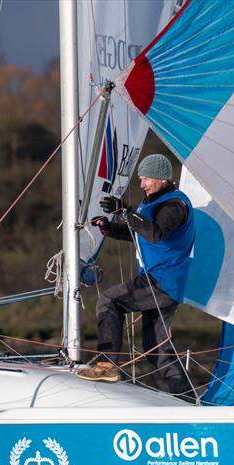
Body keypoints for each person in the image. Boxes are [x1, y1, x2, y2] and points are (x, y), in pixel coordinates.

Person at [80, 153, 196, 399]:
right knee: (156, 350)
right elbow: (139, 233)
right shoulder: (151, 203)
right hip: (163, 282)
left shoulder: (175, 205)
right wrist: (110, 227)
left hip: (162, 281)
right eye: (141, 179)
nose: (142, 184)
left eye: (146, 179)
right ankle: (187, 398)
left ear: (162, 178)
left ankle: (107, 365)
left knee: (109, 301)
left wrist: (124, 210)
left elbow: (155, 233)